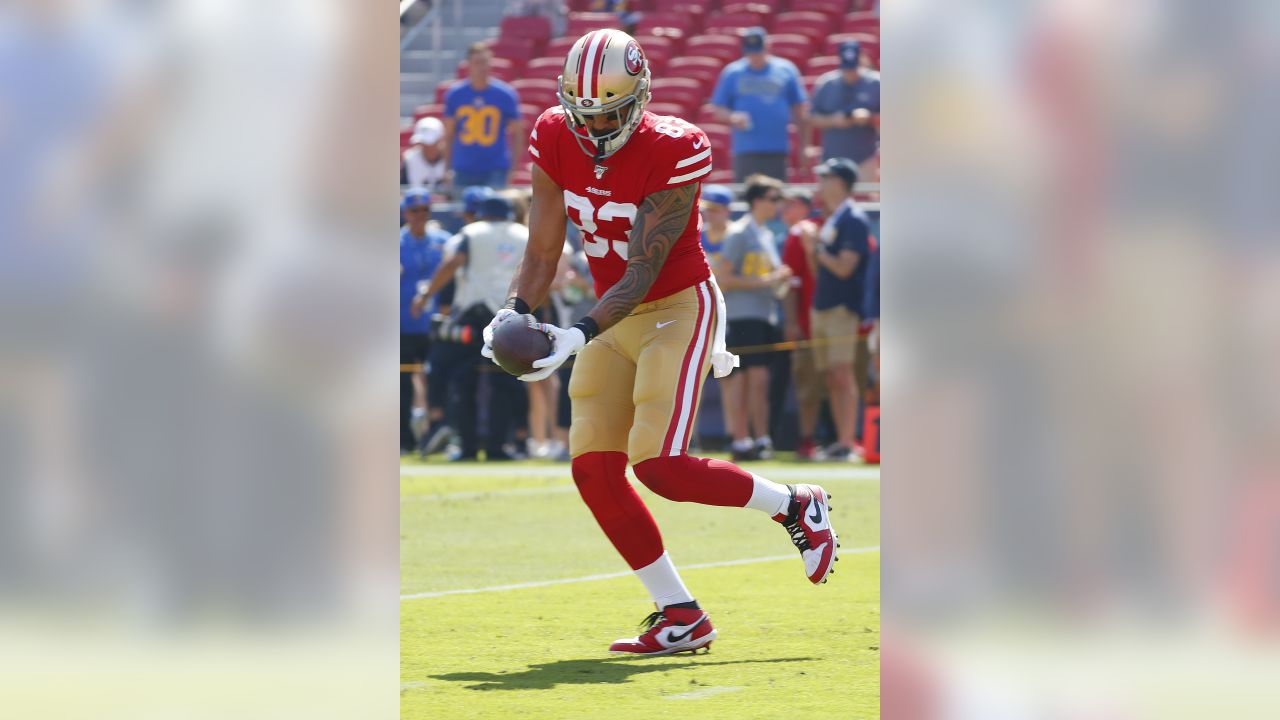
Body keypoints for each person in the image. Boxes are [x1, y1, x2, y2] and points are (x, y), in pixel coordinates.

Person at [482, 29, 839, 657]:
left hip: (675, 305)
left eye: (610, 112)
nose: (594, 128)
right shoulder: (553, 133)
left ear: (640, 99)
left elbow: (642, 269)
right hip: (605, 314)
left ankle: (794, 505)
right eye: (582, 113)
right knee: (593, 469)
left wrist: (577, 332)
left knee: (661, 468)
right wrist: (512, 312)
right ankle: (680, 612)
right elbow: (542, 248)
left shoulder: (675, 146)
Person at [414, 195, 528, 460]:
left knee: (461, 379)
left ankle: (465, 445)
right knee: (504, 381)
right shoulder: (524, 235)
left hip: (472, 314)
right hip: (509, 315)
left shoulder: (471, 232)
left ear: (482, 214)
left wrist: (427, 295)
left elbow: (454, 262)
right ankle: (499, 447)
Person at [713, 175, 791, 462]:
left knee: (758, 381)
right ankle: (742, 439)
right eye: (773, 199)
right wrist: (768, 280)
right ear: (757, 201)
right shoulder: (740, 233)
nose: (777, 205)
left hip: (762, 315)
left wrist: (776, 281)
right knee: (743, 381)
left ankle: (760, 438)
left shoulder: (766, 234)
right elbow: (724, 278)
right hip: (741, 315)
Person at [806, 158, 873, 461]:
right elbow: (820, 271)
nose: (820, 183)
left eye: (826, 177)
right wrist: (814, 249)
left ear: (839, 183)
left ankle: (848, 440)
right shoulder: (833, 219)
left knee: (843, 374)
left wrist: (817, 248)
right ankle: (841, 439)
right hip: (823, 305)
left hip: (841, 308)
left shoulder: (853, 220)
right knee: (832, 376)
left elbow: (845, 268)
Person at [709, 27, 808, 182]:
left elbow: (800, 110)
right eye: (751, 52)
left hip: (777, 149)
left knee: (776, 198)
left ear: (767, 47)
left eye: (758, 51)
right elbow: (718, 109)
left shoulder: (786, 70)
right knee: (746, 199)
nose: (754, 57)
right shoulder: (733, 73)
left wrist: (804, 146)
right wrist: (733, 117)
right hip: (746, 150)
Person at [400, 190, 451, 454]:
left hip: (436, 323)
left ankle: (436, 432)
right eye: (414, 210)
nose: (420, 215)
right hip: (402, 324)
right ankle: (404, 440)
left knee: (438, 379)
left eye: (424, 210)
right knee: (400, 384)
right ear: (405, 213)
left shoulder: (445, 241)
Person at [780, 187, 826, 460]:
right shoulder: (797, 234)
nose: (784, 211)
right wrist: (792, 320)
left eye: (790, 205)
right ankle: (808, 440)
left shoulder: (805, 231)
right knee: (809, 385)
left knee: (840, 382)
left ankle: (842, 440)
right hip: (808, 322)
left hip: (829, 322)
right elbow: (792, 283)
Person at [443, 43, 523, 189]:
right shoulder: (455, 95)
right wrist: (446, 168)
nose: (482, 67)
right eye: (477, 63)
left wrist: (513, 169)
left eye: (485, 62)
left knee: (494, 212)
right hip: (463, 169)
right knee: (463, 211)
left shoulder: (505, 94)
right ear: (468, 65)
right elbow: (449, 134)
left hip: (495, 169)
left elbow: (518, 133)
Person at [809, 40, 881, 185]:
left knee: (864, 201)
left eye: (853, 68)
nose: (850, 73)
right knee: (831, 203)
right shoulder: (827, 84)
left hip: (864, 158)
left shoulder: (875, 84)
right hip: (832, 158)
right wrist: (834, 120)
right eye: (847, 69)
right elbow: (811, 118)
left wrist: (869, 117)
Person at [403, 116, 448, 191]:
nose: (426, 147)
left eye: (430, 143)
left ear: (440, 140)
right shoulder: (410, 159)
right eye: (423, 142)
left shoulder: (452, 160)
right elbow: (402, 189)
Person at [697, 184, 733, 266]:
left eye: (715, 210)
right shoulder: (698, 233)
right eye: (707, 209)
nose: (709, 214)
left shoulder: (737, 234)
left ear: (727, 211)